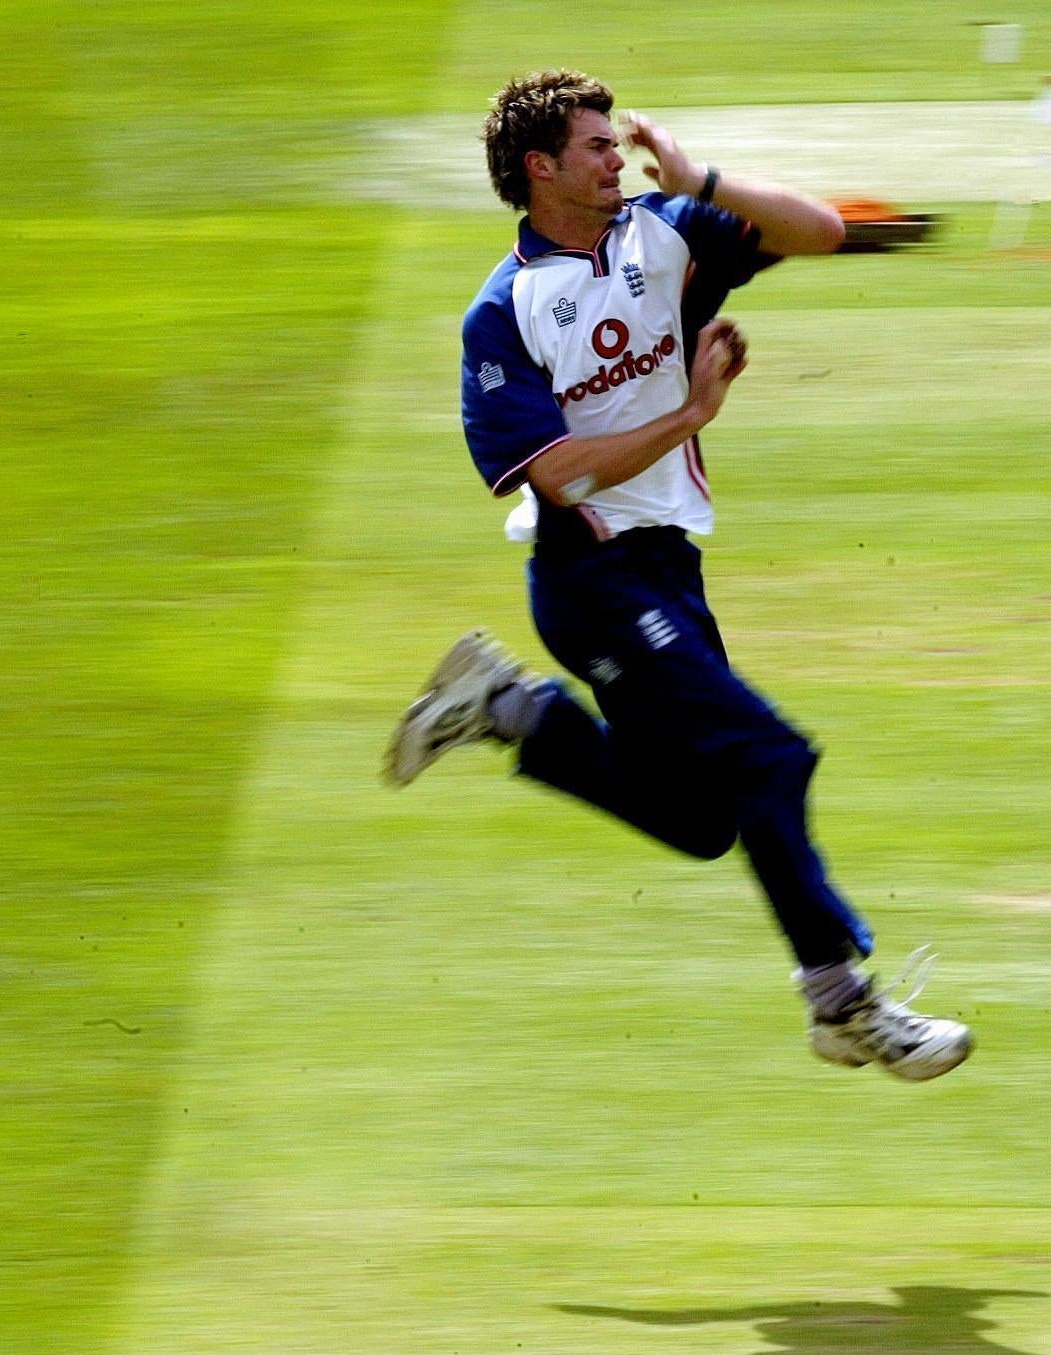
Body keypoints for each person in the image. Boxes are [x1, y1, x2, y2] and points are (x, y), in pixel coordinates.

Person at [384, 70, 971, 1081]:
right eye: (597, 147)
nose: (620, 158)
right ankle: (842, 1003)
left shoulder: (663, 234)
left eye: (620, 145)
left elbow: (822, 231)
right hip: (593, 579)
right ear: (542, 169)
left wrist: (707, 178)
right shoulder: (505, 313)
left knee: (707, 820)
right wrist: (688, 418)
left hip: (668, 572)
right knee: (770, 760)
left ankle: (515, 712)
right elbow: (559, 478)